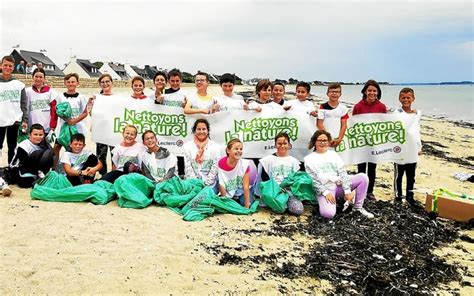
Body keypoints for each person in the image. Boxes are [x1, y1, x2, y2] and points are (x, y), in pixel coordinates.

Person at [304, 130, 374, 219]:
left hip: (339, 184)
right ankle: (327, 201)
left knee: (363, 178)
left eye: (325, 140)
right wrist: (325, 193)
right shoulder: (309, 159)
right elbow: (313, 181)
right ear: (314, 142)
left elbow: (343, 173)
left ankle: (358, 208)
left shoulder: (334, 155)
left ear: (329, 142)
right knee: (328, 214)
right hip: (325, 189)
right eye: (319, 140)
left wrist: (347, 191)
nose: (322, 143)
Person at [352, 79, 387, 200]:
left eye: (375, 91)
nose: (372, 93)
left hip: (375, 143)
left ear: (378, 92)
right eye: (370, 90)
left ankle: (370, 191)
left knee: (372, 168)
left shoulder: (382, 107)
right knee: (361, 168)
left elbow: (384, 125)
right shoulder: (358, 106)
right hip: (361, 143)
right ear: (365, 91)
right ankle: (359, 190)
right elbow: (354, 124)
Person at [257, 132, 303, 215]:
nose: (282, 146)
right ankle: (280, 204)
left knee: (298, 210)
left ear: (289, 145)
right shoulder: (267, 160)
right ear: (275, 145)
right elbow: (265, 179)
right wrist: (276, 188)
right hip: (273, 191)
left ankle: (286, 203)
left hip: (289, 191)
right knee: (280, 209)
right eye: (279, 143)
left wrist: (288, 187)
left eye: (285, 143)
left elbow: (296, 180)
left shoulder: (294, 161)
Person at [53, 73, 89, 166]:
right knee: (56, 147)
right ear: (65, 83)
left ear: (77, 83)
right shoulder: (60, 96)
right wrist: (66, 119)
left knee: (74, 148)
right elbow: (57, 110)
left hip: (77, 127)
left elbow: (85, 113)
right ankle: (54, 168)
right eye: (68, 82)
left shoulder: (81, 97)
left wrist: (74, 121)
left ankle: (74, 167)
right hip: (63, 127)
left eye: (73, 82)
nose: (70, 84)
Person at [393, 87, 422, 204]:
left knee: (411, 176)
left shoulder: (417, 114)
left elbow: (416, 131)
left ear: (413, 98)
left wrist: (419, 146)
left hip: (412, 150)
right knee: (398, 175)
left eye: (408, 97)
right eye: (403, 98)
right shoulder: (396, 113)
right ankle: (398, 196)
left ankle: (410, 196)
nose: (406, 100)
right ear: (399, 99)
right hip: (400, 150)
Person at [0, 55, 28, 164]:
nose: (7, 67)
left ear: (13, 67)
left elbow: (23, 103)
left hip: (14, 120)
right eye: (5, 65)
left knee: (12, 146)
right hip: (0, 120)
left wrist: (25, 119)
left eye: (10, 66)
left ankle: (10, 168)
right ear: (1, 66)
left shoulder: (19, 84)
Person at [9, 124, 54, 188]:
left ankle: (39, 176)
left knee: (49, 152)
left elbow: (50, 160)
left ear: (44, 135)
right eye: (35, 134)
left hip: (36, 169)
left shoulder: (44, 144)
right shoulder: (23, 145)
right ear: (29, 135)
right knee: (25, 184)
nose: (38, 137)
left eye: (40, 135)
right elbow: (24, 163)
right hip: (19, 168)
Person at [183, 118, 221, 191]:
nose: (201, 131)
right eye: (198, 129)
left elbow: (215, 167)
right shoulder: (187, 146)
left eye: (204, 129)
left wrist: (206, 184)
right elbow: (188, 167)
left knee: (205, 198)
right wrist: (196, 183)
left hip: (210, 184)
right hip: (192, 183)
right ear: (194, 131)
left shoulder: (216, 147)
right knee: (193, 198)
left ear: (207, 131)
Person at [90, 73, 116, 175]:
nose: (105, 84)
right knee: (101, 156)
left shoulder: (118, 98)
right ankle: (103, 176)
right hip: (100, 130)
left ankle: (114, 175)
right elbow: (91, 113)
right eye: (102, 82)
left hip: (114, 130)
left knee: (115, 154)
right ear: (100, 84)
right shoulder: (97, 98)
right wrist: (91, 102)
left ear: (112, 83)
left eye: (107, 81)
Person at [218, 139, 252, 208]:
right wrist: (225, 203)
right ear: (228, 151)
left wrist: (246, 207)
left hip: (240, 191)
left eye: (241, 149)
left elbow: (246, 186)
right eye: (236, 149)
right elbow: (222, 184)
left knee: (246, 203)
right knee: (227, 205)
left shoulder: (244, 165)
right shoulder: (221, 163)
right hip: (228, 191)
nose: (239, 151)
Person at [317, 83, 349, 148]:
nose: (334, 94)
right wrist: (328, 138)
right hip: (325, 138)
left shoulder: (343, 108)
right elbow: (319, 124)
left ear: (340, 94)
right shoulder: (323, 106)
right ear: (327, 94)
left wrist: (340, 138)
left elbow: (344, 125)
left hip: (338, 138)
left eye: (337, 92)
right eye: (332, 92)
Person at [25, 68, 57, 134]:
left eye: (40, 77)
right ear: (32, 77)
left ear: (44, 78)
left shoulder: (50, 92)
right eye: (36, 76)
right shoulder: (27, 91)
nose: (38, 79)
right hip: (31, 127)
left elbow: (54, 110)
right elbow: (24, 108)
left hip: (46, 127)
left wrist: (53, 125)